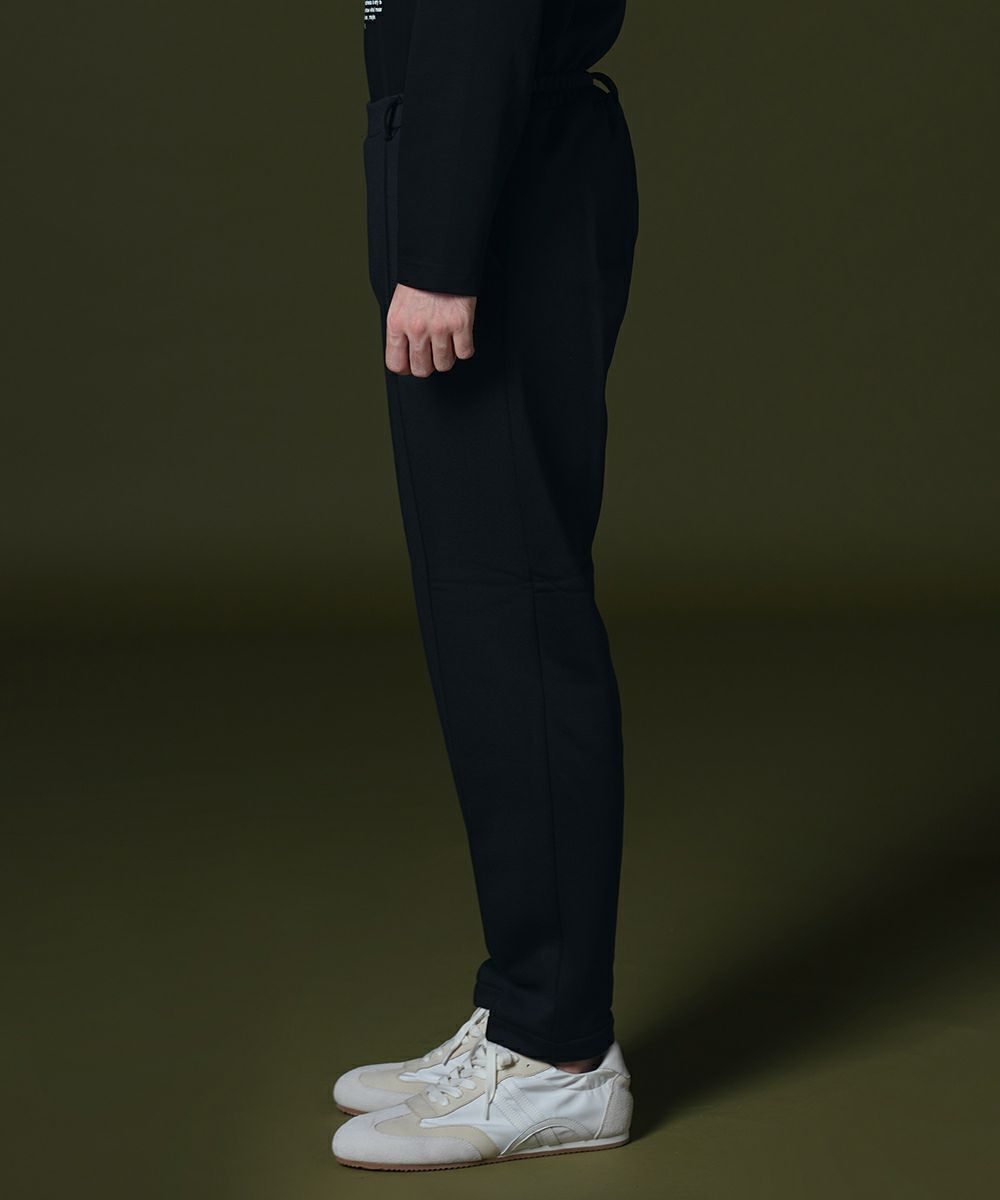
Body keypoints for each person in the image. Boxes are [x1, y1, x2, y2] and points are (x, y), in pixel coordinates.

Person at [333, 0, 639, 1171]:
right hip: (469, 156)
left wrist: (442, 245)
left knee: (514, 611)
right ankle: (524, 1006)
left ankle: (559, 1054)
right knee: (481, 608)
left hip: (499, 176)